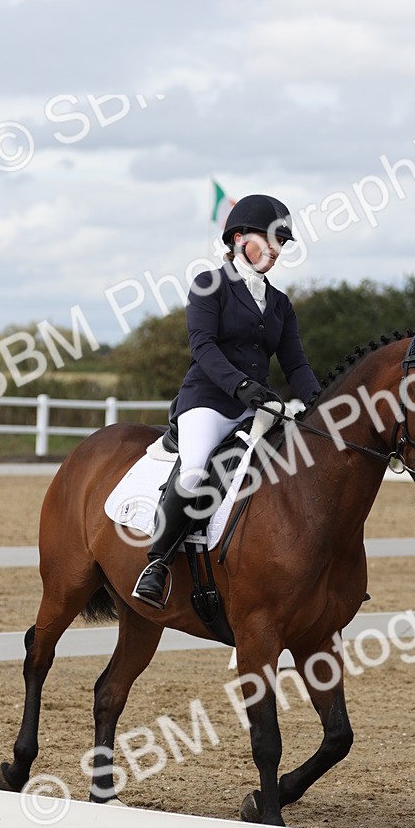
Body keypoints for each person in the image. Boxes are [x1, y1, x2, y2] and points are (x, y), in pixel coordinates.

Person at [132, 193, 320, 608]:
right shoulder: (209, 284)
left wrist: (321, 403)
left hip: (256, 408)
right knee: (197, 469)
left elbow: (296, 365)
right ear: (237, 238)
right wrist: (240, 386)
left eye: (282, 243)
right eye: (269, 239)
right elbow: (204, 347)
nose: (276, 249)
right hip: (208, 402)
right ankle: (158, 562)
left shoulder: (280, 304)